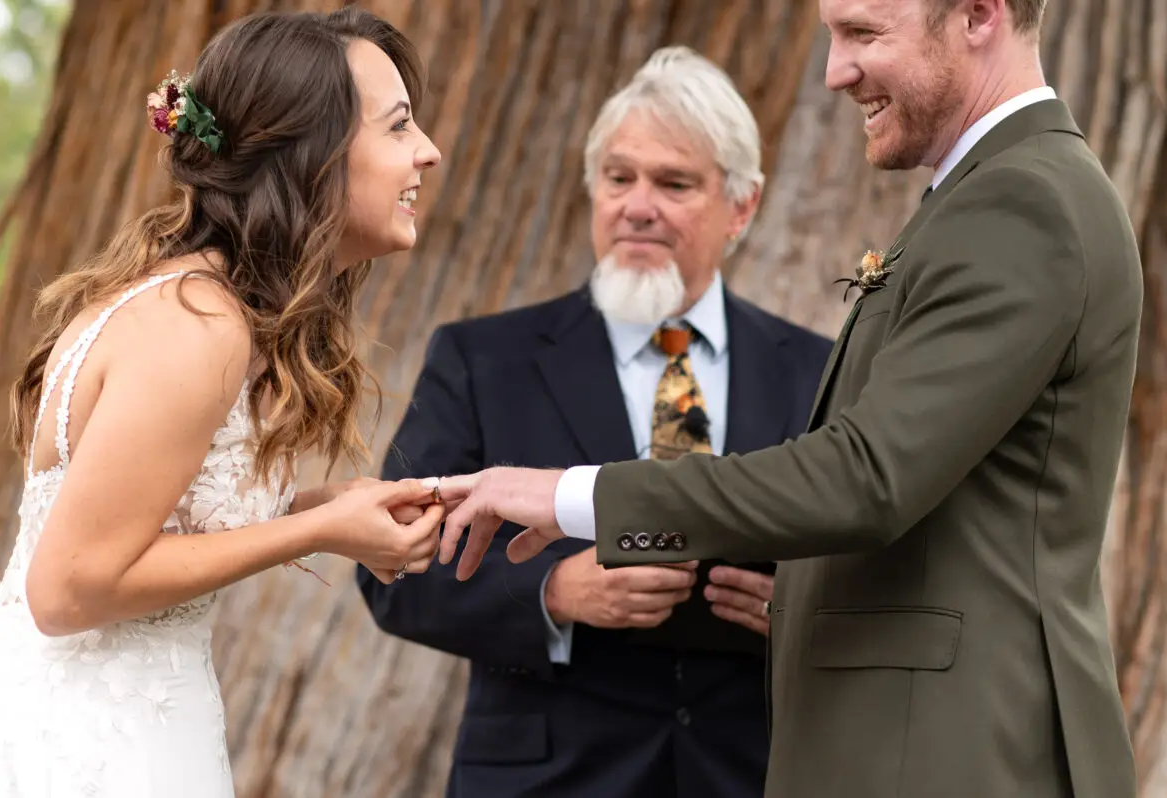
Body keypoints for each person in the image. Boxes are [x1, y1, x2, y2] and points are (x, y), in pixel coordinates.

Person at [435, 0, 1143, 796]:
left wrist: (570, 494)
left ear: (978, 14)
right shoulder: (987, 194)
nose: (836, 71)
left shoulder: (1021, 202)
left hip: (953, 748)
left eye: (863, 34)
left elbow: (865, 477)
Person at [356, 47, 832, 798]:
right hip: (546, 779)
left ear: (742, 206)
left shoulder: (819, 371)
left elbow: (887, 560)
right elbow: (390, 569)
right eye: (618, 178)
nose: (637, 205)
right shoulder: (485, 359)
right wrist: (554, 594)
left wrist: (814, 616)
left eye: (674, 183)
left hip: (753, 774)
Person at [0, 9, 444, 797]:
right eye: (400, 125)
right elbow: (67, 588)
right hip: (96, 754)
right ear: (314, 152)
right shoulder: (198, 327)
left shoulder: (203, 309)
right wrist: (315, 528)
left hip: (139, 724)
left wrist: (330, 507)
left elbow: (152, 524)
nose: (428, 151)